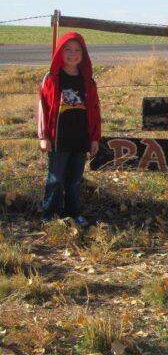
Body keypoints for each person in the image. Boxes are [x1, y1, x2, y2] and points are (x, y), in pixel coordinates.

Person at [37, 32, 101, 226]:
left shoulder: (88, 81)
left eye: (77, 50)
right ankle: (50, 216)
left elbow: (96, 110)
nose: (72, 54)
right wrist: (44, 136)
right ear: (59, 52)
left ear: (83, 54)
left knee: (74, 180)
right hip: (58, 138)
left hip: (80, 139)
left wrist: (95, 138)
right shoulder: (52, 79)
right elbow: (43, 107)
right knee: (56, 179)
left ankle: (73, 213)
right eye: (67, 50)